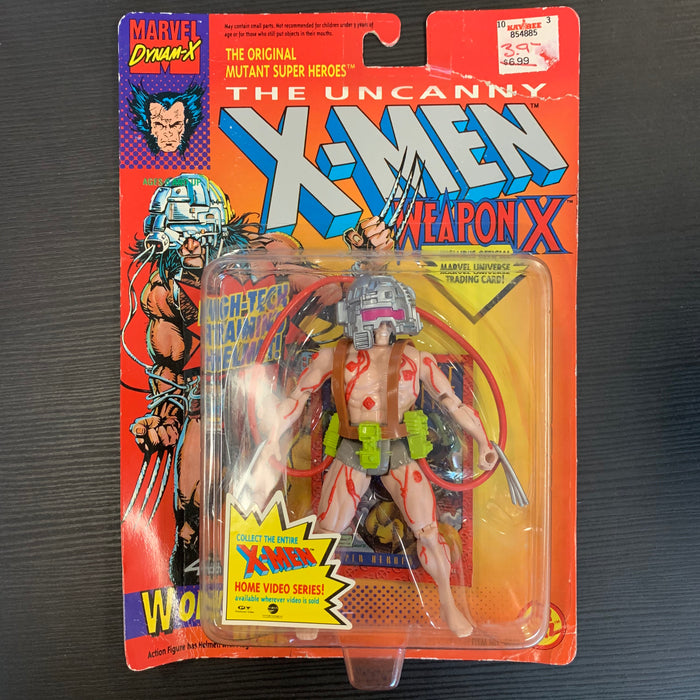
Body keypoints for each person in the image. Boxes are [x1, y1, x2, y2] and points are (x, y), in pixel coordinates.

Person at [266, 274, 497, 636]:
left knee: (428, 531)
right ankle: (308, 606)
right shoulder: (333, 357)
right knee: (326, 530)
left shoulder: (415, 360)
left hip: (399, 450)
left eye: (391, 316)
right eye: (375, 317)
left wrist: (484, 441)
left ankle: (449, 605)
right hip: (352, 449)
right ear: (356, 316)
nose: (384, 327)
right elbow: (297, 397)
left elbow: (453, 404)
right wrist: (270, 439)